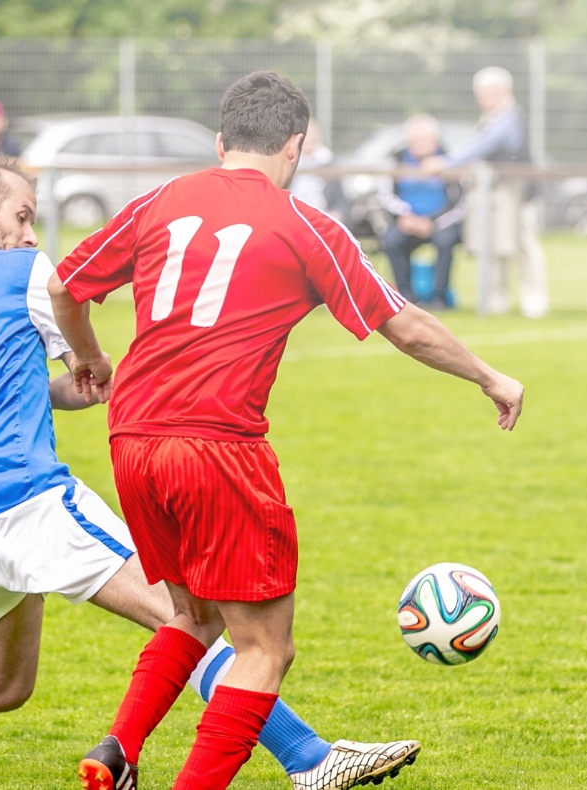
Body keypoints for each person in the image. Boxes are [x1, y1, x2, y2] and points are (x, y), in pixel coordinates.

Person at [0, 160, 418, 790]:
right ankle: (309, 758)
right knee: (185, 616)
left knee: (3, 686)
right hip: (30, 499)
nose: (29, 233)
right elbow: (73, 312)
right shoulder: (21, 272)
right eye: (21, 216)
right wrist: (95, 362)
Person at [49, 71, 525, 790]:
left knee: (192, 615)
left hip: (133, 440)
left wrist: (86, 356)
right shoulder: (304, 225)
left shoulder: (161, 199)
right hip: (217, 446)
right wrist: (491, 376)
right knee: (265, 648)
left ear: (220, 141)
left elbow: (65, 284)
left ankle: (117, 750)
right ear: (296, 147)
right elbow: (405, 324)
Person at [422, 66, 547, 318]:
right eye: (480, 92)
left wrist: (446, 163)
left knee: (525, 247)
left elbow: (483, 145)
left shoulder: (508, 118)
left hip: (519, 194)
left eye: (488, 91)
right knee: (494, 247)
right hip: (495, 193)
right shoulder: (490, 117)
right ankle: (495, 301)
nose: (482, 97)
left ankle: (534, 302)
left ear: (504, 91)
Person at [379, 114, 466, 307]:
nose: (418, 144)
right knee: (391, 241)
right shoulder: (396, 160)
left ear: (435, 140)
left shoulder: (450, 160)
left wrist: (432, 222)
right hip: (407, 221)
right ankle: (406, 298)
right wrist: (406, 216)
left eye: (423, 140)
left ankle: (439, 297)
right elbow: (386, 196)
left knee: (446, 241)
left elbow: (458, 203)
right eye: (414, 140)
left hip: (441, 223)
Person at [288, 119, 335, 213]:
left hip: (321, 212)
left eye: (313, 137)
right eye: (307, 137)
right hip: (294, 212)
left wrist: (337, 212)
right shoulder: (289, 160)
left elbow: (339, 199)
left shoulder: (327, 160)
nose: (310, 140)